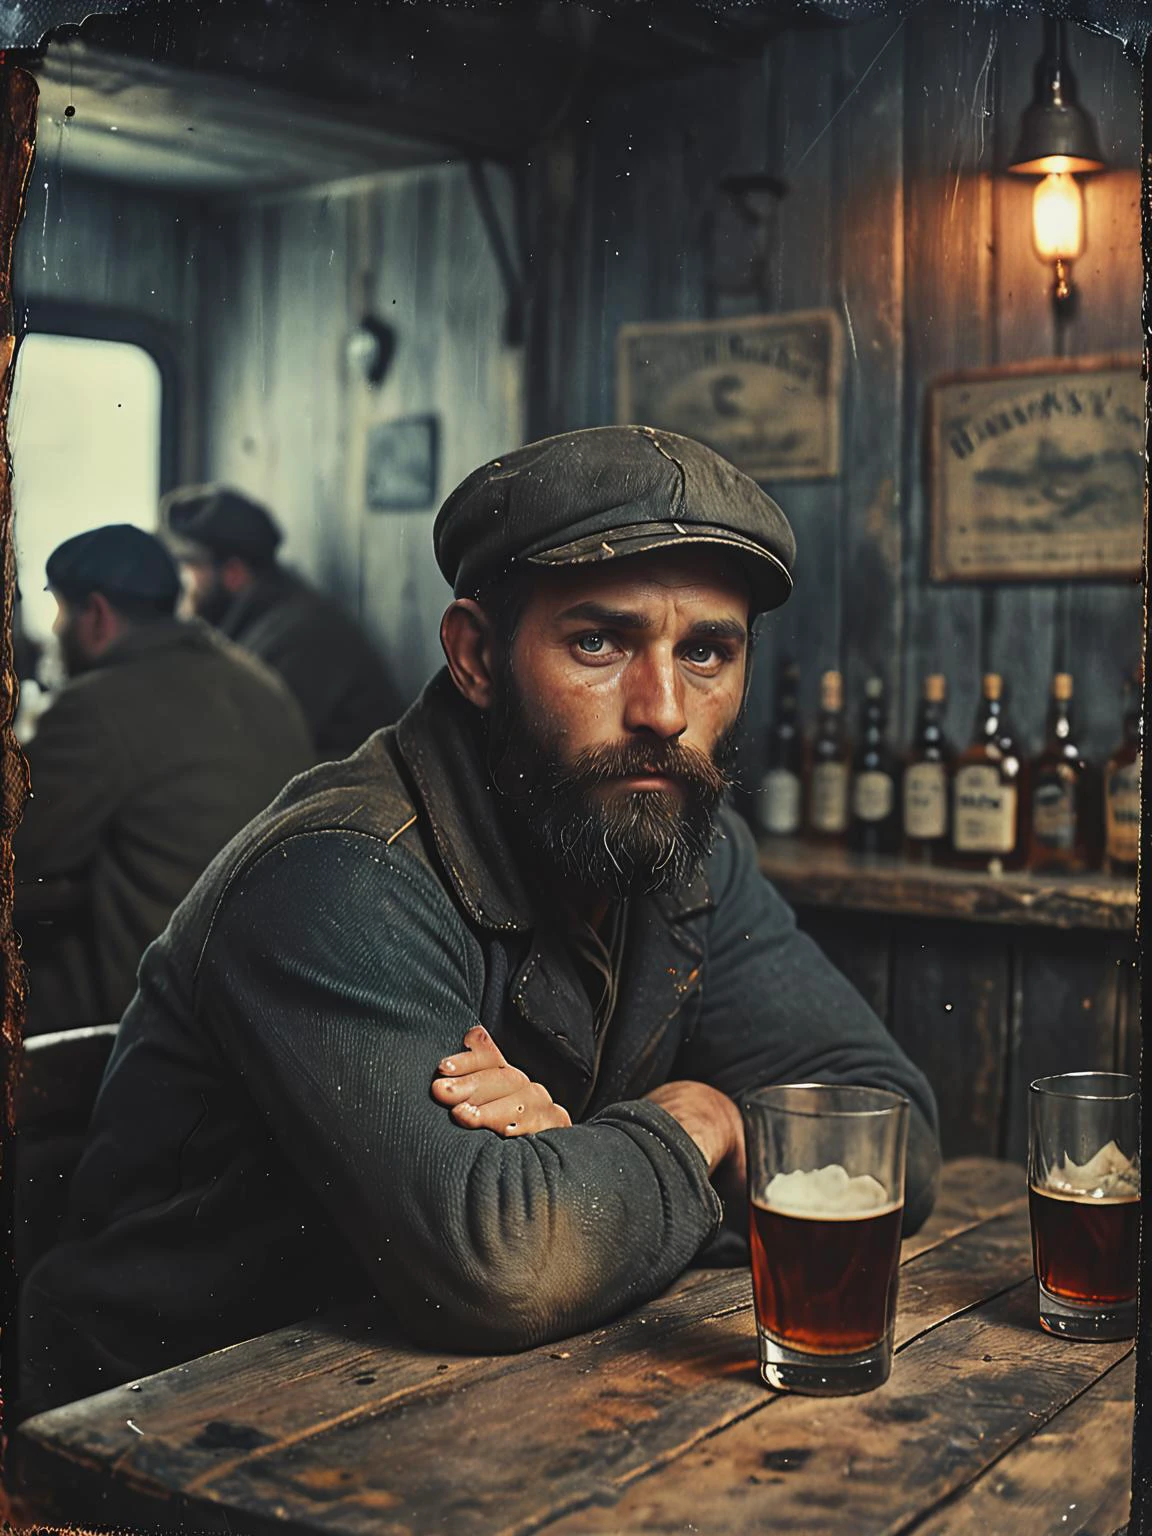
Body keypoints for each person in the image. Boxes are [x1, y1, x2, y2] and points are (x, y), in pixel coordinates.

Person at [16, 428, 940, 1419]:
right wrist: (684, 1124)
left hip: (439, 1406)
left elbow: (890, 1133)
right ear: (475, 655)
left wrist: (602, 1158)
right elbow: (509, 1264)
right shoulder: (339, 874)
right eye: (599, 641)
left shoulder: (680, 846)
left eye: (707, 651)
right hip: (159, 1429)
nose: (666, 710)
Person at [14, 524, 315, 1036]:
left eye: (61, 609)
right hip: (268, 1005)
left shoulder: (95, 708)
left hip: (141, 1018)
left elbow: (16, 852)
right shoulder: (258, 681)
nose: (56, 629)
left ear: (97, 615)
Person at [162, 485, 402, 757]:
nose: (185, 582)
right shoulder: (264, 622)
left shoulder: (301, 634)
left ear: (234, 573)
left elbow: (241, 751)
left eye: (190, 566)